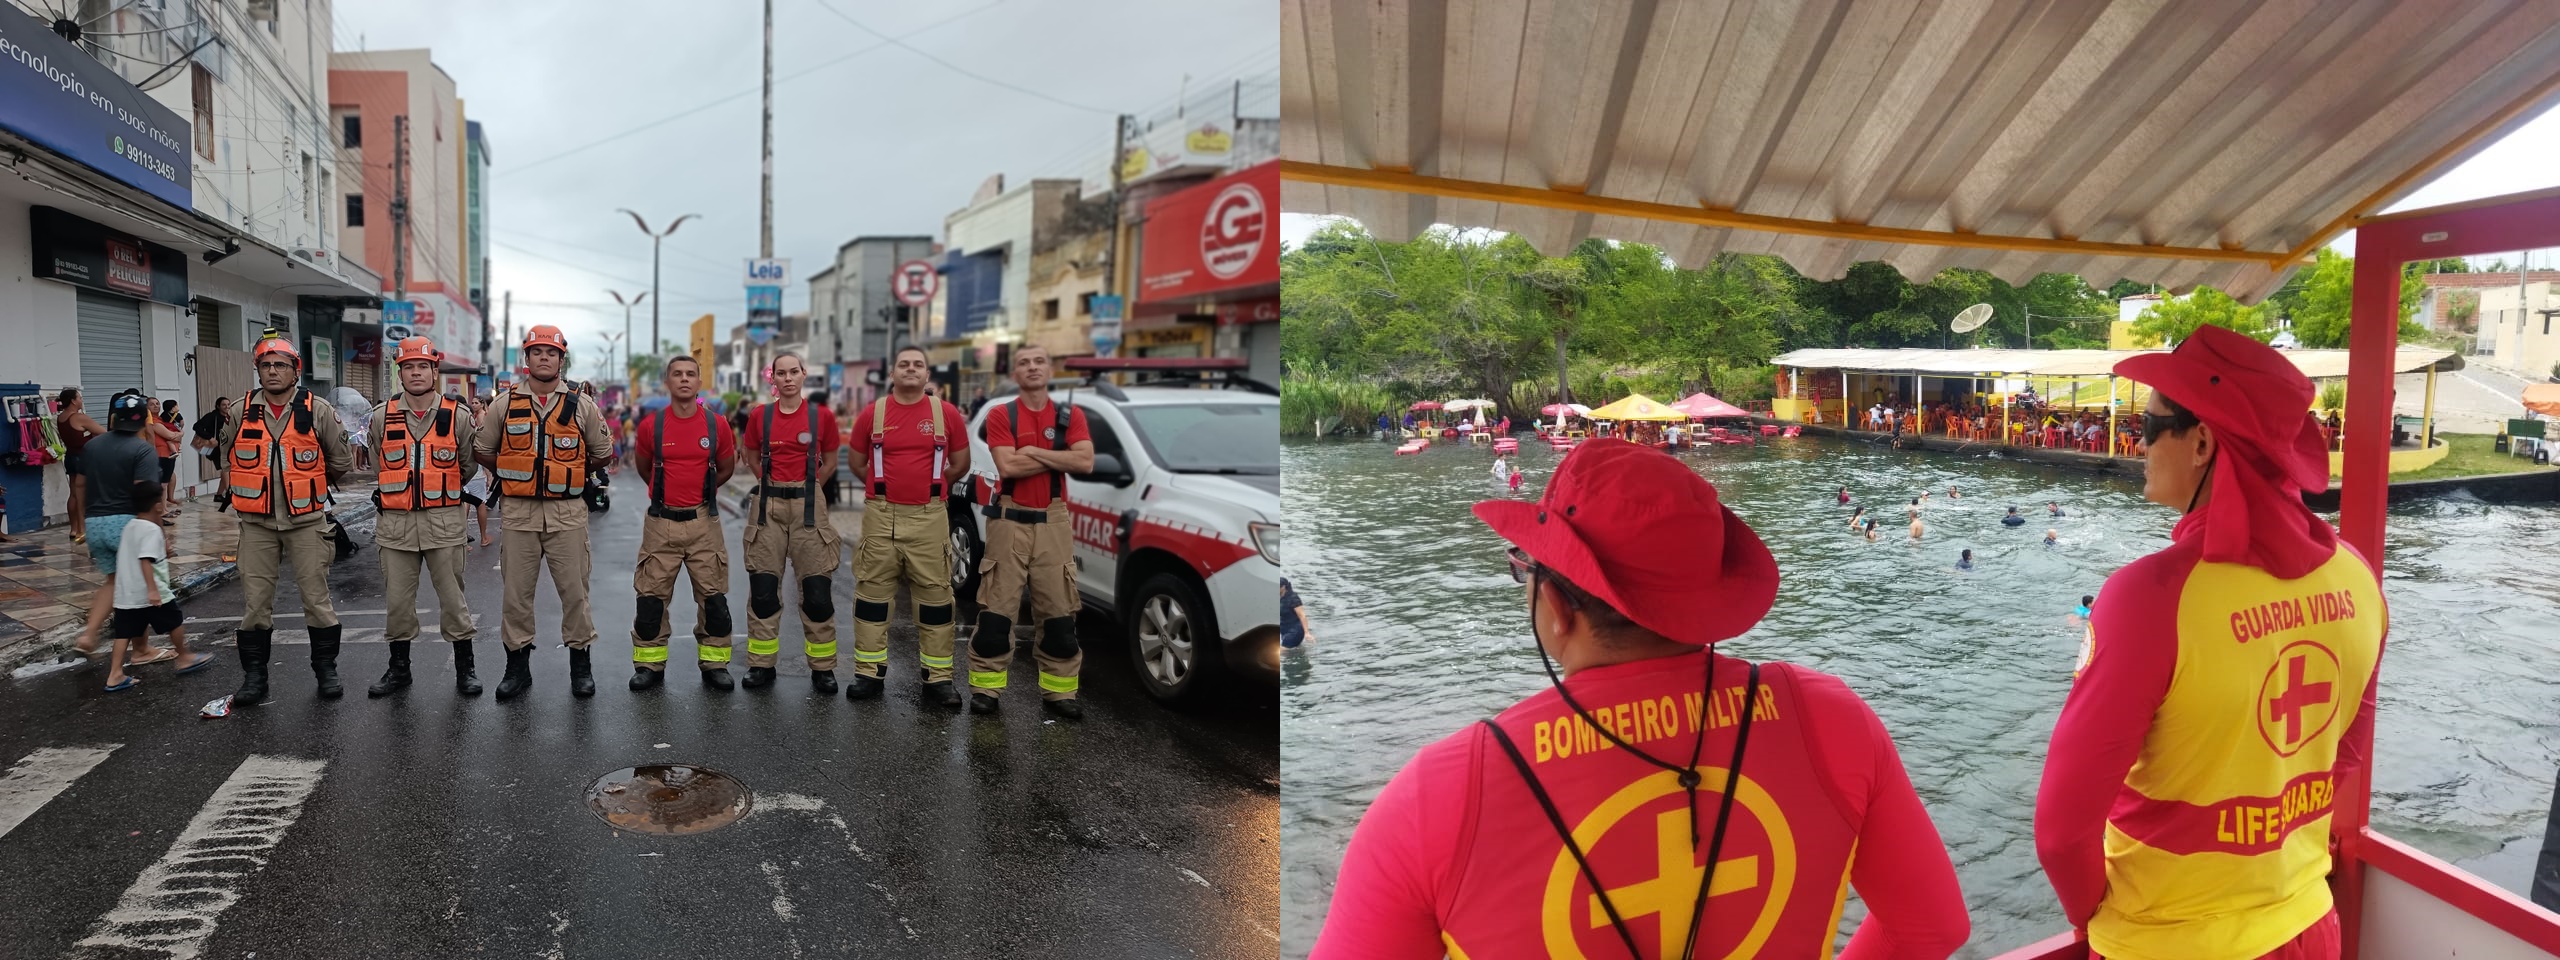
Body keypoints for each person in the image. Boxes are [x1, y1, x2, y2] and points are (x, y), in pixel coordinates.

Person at [1312, 439, 1968, 958]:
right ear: (1705, 599)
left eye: (1528, 570)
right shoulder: (1830, 719)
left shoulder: (1438, 796)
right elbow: (1930, 929)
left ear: (1556, 605)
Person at [2035, 325, 2386, 960]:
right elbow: (2345, 759)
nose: (2133, 443)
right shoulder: (2358, 577)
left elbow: (2061, 834)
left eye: (2146, 427)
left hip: (2172, 941)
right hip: (2309, 925)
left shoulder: (2149, 598)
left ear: (2200, 443)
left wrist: (2103, 923)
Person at [476, 325, 615, 700]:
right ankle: (517, 669)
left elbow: (602, 452)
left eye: (550, 353)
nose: (543, 357)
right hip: (519, 515)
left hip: (567, 514)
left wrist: (565, 475)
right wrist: (517, 473)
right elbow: (484, 449)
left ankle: (580, 668)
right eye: (536, 351)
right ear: (527, 358)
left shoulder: (581, 404)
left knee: (575, 594)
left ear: (561, 359)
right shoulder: (504, 404)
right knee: (516, 596)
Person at [221, 334, 355, 704]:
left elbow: (341, 461)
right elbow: (226, 454)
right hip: (256, 525)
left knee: (316, 600)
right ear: (258, 370)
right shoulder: (238, 411)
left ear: (295, 369)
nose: (273, 371)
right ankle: (254, 678)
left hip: (307, 523)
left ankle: (326, 671)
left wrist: (307, 484)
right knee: (255, 605)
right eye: (266, 365)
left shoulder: (318, 410)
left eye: (281, 364)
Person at [969, 344, 1094, 720]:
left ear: (1049, 368)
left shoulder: (1071, 414)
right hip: (1008, 519)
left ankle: (1059, 693)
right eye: (1024, 362)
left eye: (1039, 361)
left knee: (1058, 613)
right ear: (1016, 373)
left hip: (1053, 521)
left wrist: (1034, 452)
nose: (1032, 367)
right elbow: (1007, 466)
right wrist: (1057, 454)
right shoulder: (1000, 413)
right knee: (996, 613)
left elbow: (1084, 461)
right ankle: (986, 689)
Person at [846, 346, 971, 705]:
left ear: (927, 374)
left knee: (935, 600)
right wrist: (884, 487)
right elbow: (857, 462)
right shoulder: (873, 413)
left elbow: (960, 462)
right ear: (892, 373)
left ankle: (938, 681)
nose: (911, 369)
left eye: (918, 365)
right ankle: (868, 675)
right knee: (871, 598)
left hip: (929, 517)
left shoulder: (946, 414)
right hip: (881, 515)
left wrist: (929, 485)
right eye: (904, 364)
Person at [366, 338, 482, 698]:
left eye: (422, 367)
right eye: (408, 367)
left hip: (444, 524)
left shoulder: (457, 415)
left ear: (434, 371)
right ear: (399, 373)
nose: (415, 373)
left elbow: (467, 466)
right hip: (396, 526)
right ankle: (399, 670)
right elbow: (377, 463)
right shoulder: (382, 416)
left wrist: (436, 489)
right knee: (398, 603)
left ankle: (466, 670)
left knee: (453, 601)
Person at [629, 355, 741, 691]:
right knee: (650, 599)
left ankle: (714, 664)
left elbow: (725, 468)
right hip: (661, 522)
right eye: (677, 374)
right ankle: (649, 665)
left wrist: (699, 496)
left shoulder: (716, 424)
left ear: (699, 381)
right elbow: (645, 467)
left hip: (704, 522)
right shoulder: (652, 425)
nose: (684, 379)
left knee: (714, 600)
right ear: (668, 381)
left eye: (690, 374)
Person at [736, 352, 843, 692]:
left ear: (803, 375)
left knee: (816, 592)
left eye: (793, 372)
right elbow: (749, 454)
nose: (788, 378)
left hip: (808, 509)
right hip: (768, 506)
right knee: (764, 590)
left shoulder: (821, 416)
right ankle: (761, 666)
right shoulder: (760, 416)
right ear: (774, 379)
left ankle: (823, 669)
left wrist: (811, 487)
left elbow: (831, 460)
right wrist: (766, 480)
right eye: (781, 373)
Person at [72, 392, 165, 665]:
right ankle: (141, 650)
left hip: (96, 522)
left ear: (113, 418)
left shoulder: (93, 446)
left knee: (113, 582)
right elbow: (146, 494)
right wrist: (157, 531)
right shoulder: (142, 450)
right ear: (142, 421)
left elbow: (80, 485)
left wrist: (81, 524)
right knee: (138, 589)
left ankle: (89, 635)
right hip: (127, 523)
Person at [101, 480, 212, 692]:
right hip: (151, 590)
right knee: (174, 621)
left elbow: (138, 555)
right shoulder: (151, 530)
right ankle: (185, 656)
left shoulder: (130, 527)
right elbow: (145, 560)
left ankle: (114, 674)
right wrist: (152, 590)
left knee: (123, 633)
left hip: (127, 593)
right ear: (158, 506)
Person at [55, 388, 103, 544]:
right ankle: (83, 529)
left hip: (70, 456)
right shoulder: (79, 417)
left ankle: (74, 529)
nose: (82, 400)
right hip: (83, 457)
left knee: (73, 493)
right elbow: (103, 432)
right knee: (83, 493)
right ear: (74, 401)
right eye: (80, 398)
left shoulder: (61, 417)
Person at [148, 400, 183, 518]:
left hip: (167, 454)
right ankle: (162, 510)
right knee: (162, 484)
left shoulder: (162, 420)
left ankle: (165, 508)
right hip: (161, 454)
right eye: (152, 404)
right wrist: (181, 434)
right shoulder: (154, 422)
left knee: (165, 482)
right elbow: (170, 435)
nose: (155, 406)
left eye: (157, 403)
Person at [1280, 577, 1310, 651]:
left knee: (1281, 651)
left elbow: (1302, 616)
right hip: (1284, 629)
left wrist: (1307, 633)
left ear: (1283, 587)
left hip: (1295, 629)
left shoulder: (1293, 598)